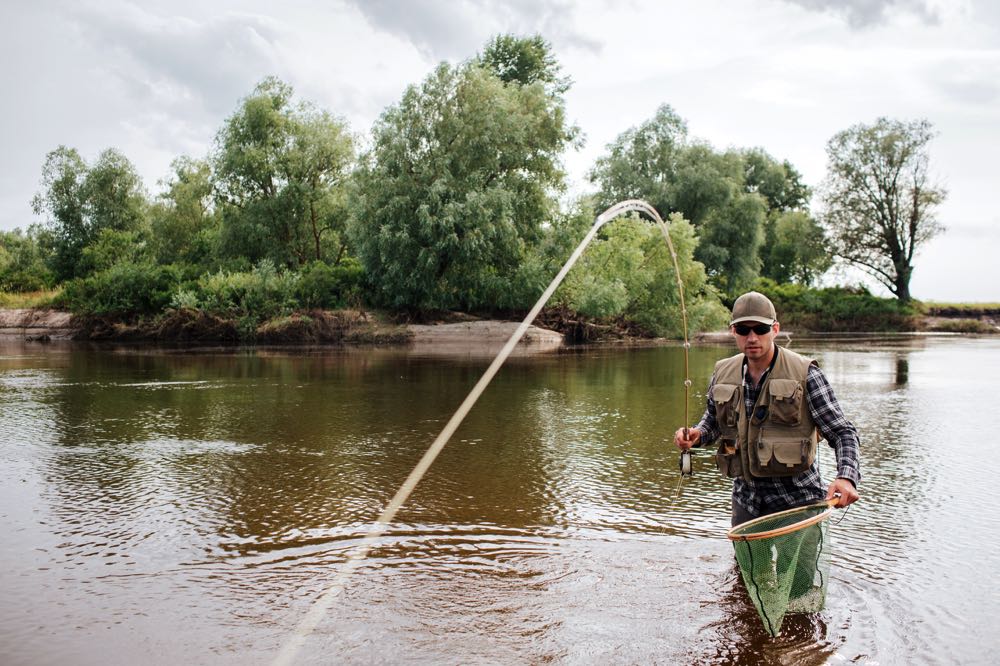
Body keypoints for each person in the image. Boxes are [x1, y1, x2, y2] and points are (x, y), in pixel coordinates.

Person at [674, 291, 860, 526]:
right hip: (746, 500)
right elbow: (712, 422)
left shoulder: (806, 374)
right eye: (743, 330)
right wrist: (696, 436)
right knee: (745, 565)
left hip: (798, 500)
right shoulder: (722, 372)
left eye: (760, 329)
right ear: (733, 331)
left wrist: (847, 478)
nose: (752, 338)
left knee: (797, 566)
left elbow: (843, 432)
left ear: (775, 329)